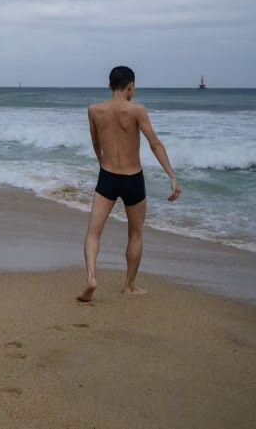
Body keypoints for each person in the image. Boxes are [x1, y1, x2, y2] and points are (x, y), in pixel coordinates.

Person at [77, 66, 181, 302]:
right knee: (135, 233)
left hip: (107, 177)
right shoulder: (137, 110)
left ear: (109, 85)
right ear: (130, 85)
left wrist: (101, 163)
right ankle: (129, 286)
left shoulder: (94, 110)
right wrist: (172, 175)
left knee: (93, 233)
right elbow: (154, 143)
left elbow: (95, 143)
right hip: (133, 179)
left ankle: (91, 278)